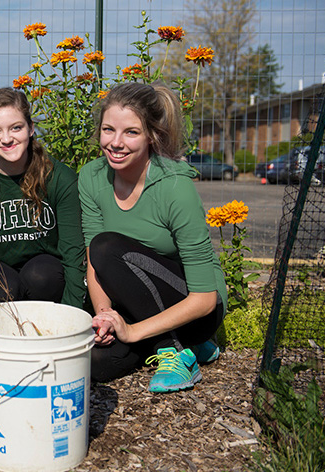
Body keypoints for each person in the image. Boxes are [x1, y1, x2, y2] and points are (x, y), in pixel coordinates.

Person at [78, 82, 226, 393]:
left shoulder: (175, 188)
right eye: (108, 130)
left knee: (107, 246)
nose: (116, 143)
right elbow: (93, 263)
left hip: (194, 307)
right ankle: (190, 347)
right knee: (94, 365)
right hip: (133, 301)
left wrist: (131, 333)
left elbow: (204, 298)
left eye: (131, 132)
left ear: (151, 136)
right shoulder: (92, 177)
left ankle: (179, 351)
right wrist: (105, 315)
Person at [0, 87, 85, 311]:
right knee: (0, 287)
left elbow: (73, 254)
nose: (7, 138)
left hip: (46, 272)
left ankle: (45, 330)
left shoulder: (59, 178)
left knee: (39, 276)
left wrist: (74, 314)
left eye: (16, 128)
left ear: (30, 128)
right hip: (0, 271)